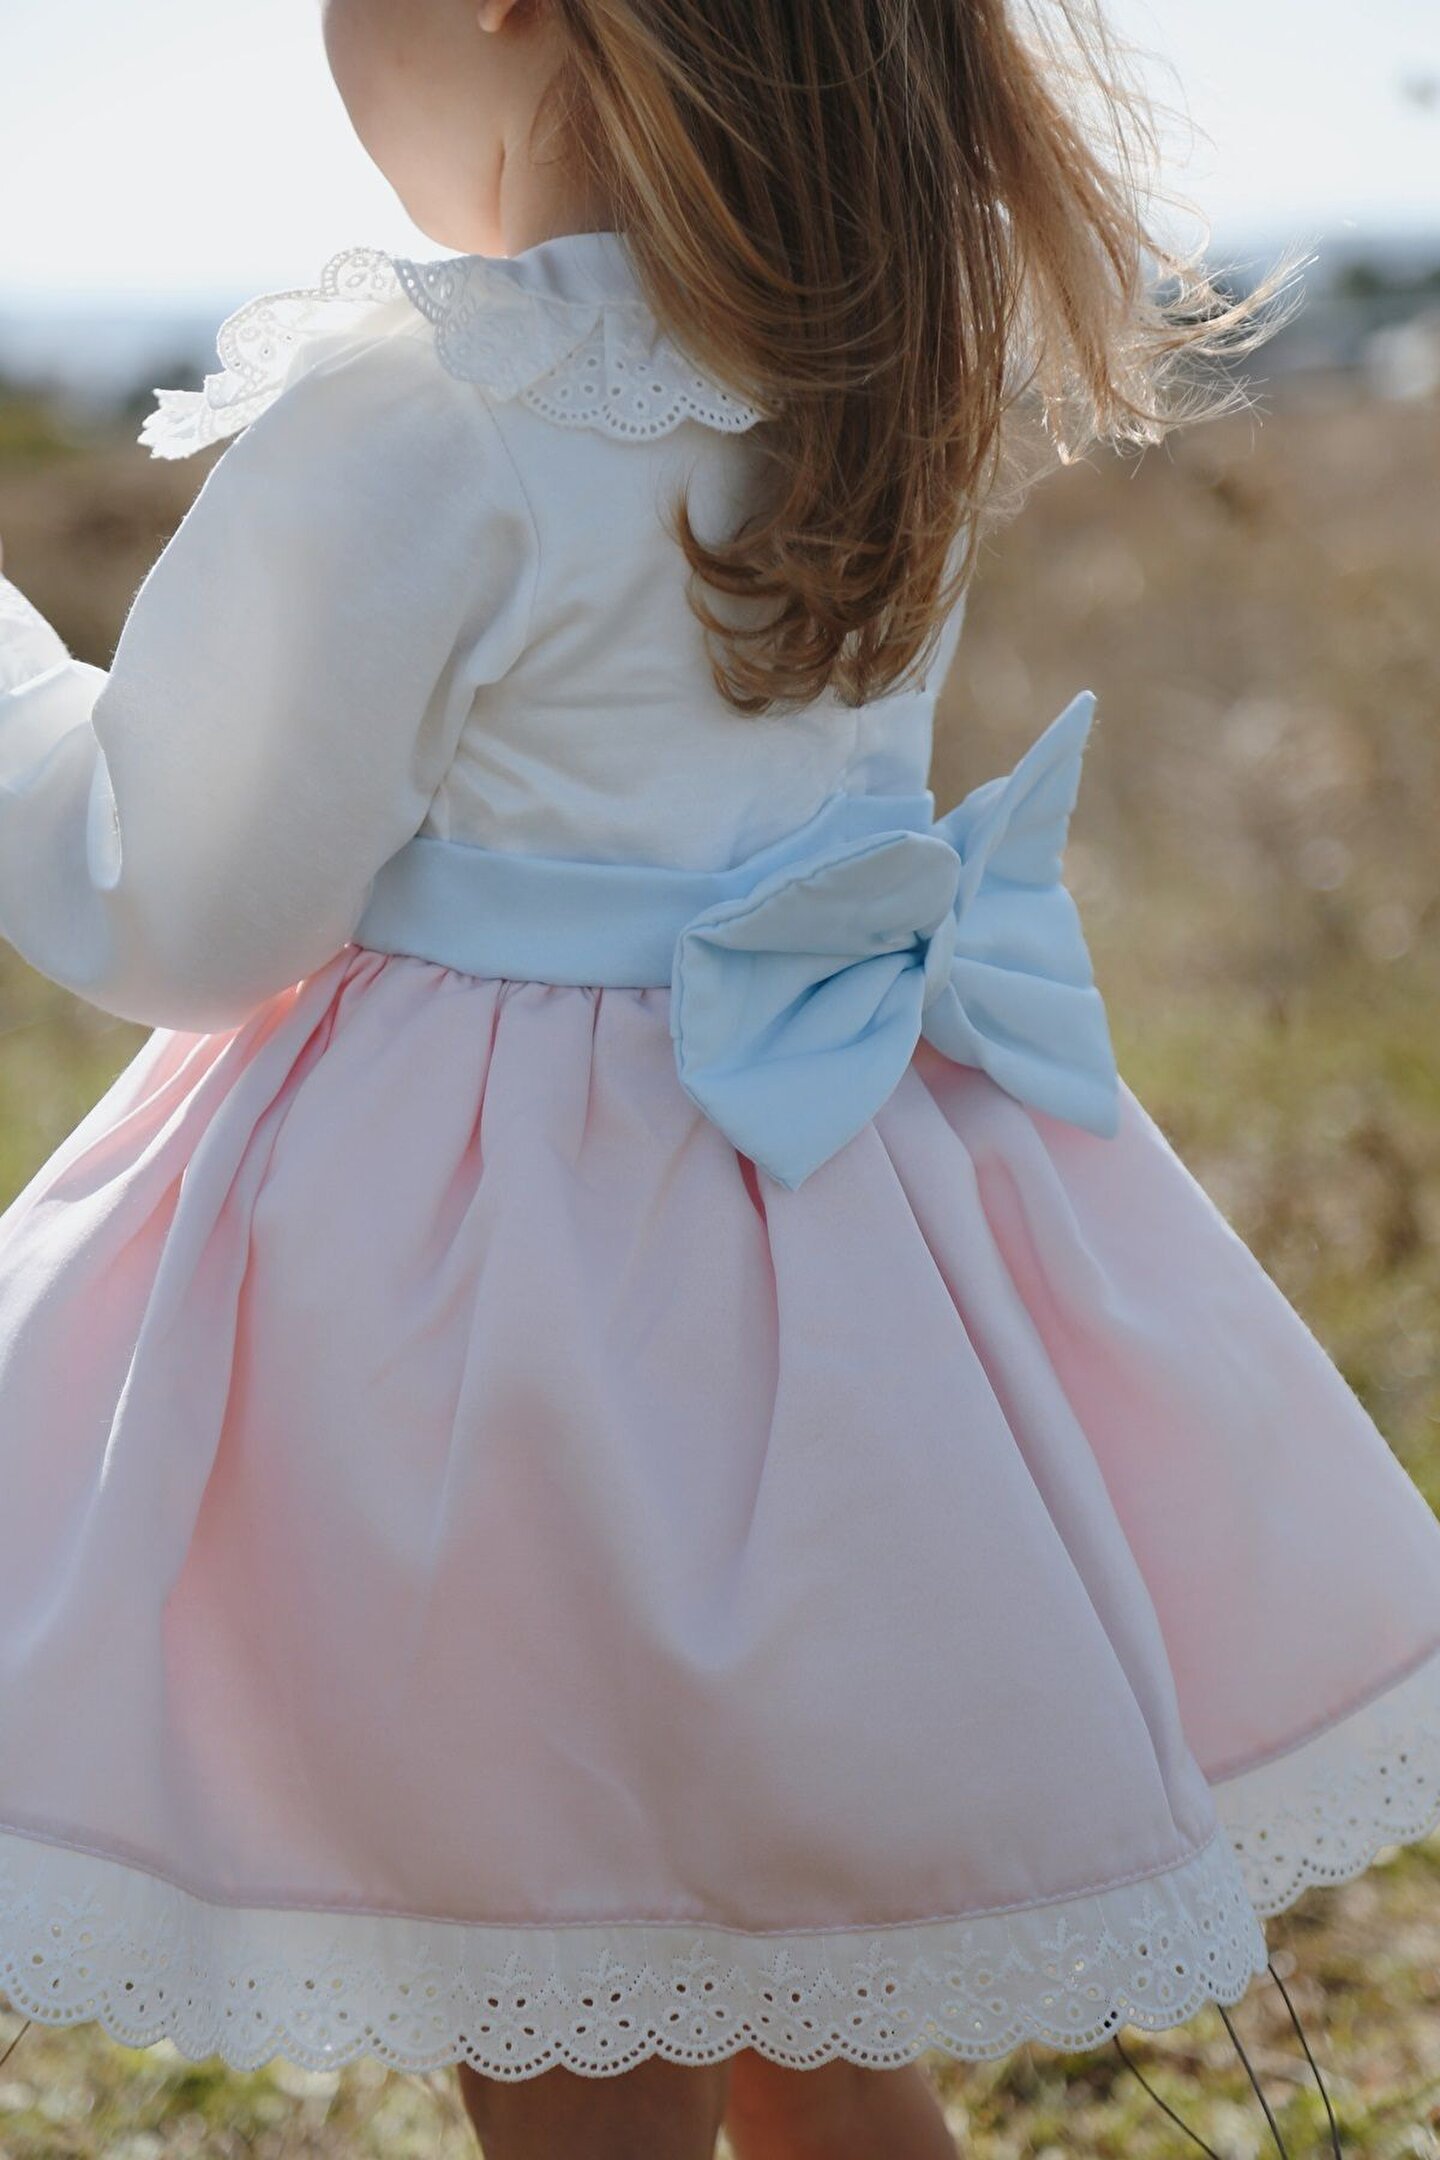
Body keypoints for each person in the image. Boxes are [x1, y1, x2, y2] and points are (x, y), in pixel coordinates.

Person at [0, 2, 1435, 2156]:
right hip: (827, 1256)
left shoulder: (435, 409)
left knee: (571, 1990)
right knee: (797, 1981)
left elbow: (181, 902)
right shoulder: (873, 375)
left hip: (497, 1312)